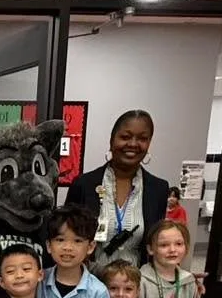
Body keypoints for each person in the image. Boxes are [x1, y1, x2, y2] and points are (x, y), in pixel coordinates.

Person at [66, 110, 170, 268]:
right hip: (88, 286)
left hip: (134, 288)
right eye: (125, 137)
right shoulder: (83, 184)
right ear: (111, 140)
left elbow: (157, 245)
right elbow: (65, 237)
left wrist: (179, 277)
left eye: (142, 138)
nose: (133, 144)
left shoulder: (158, 189)